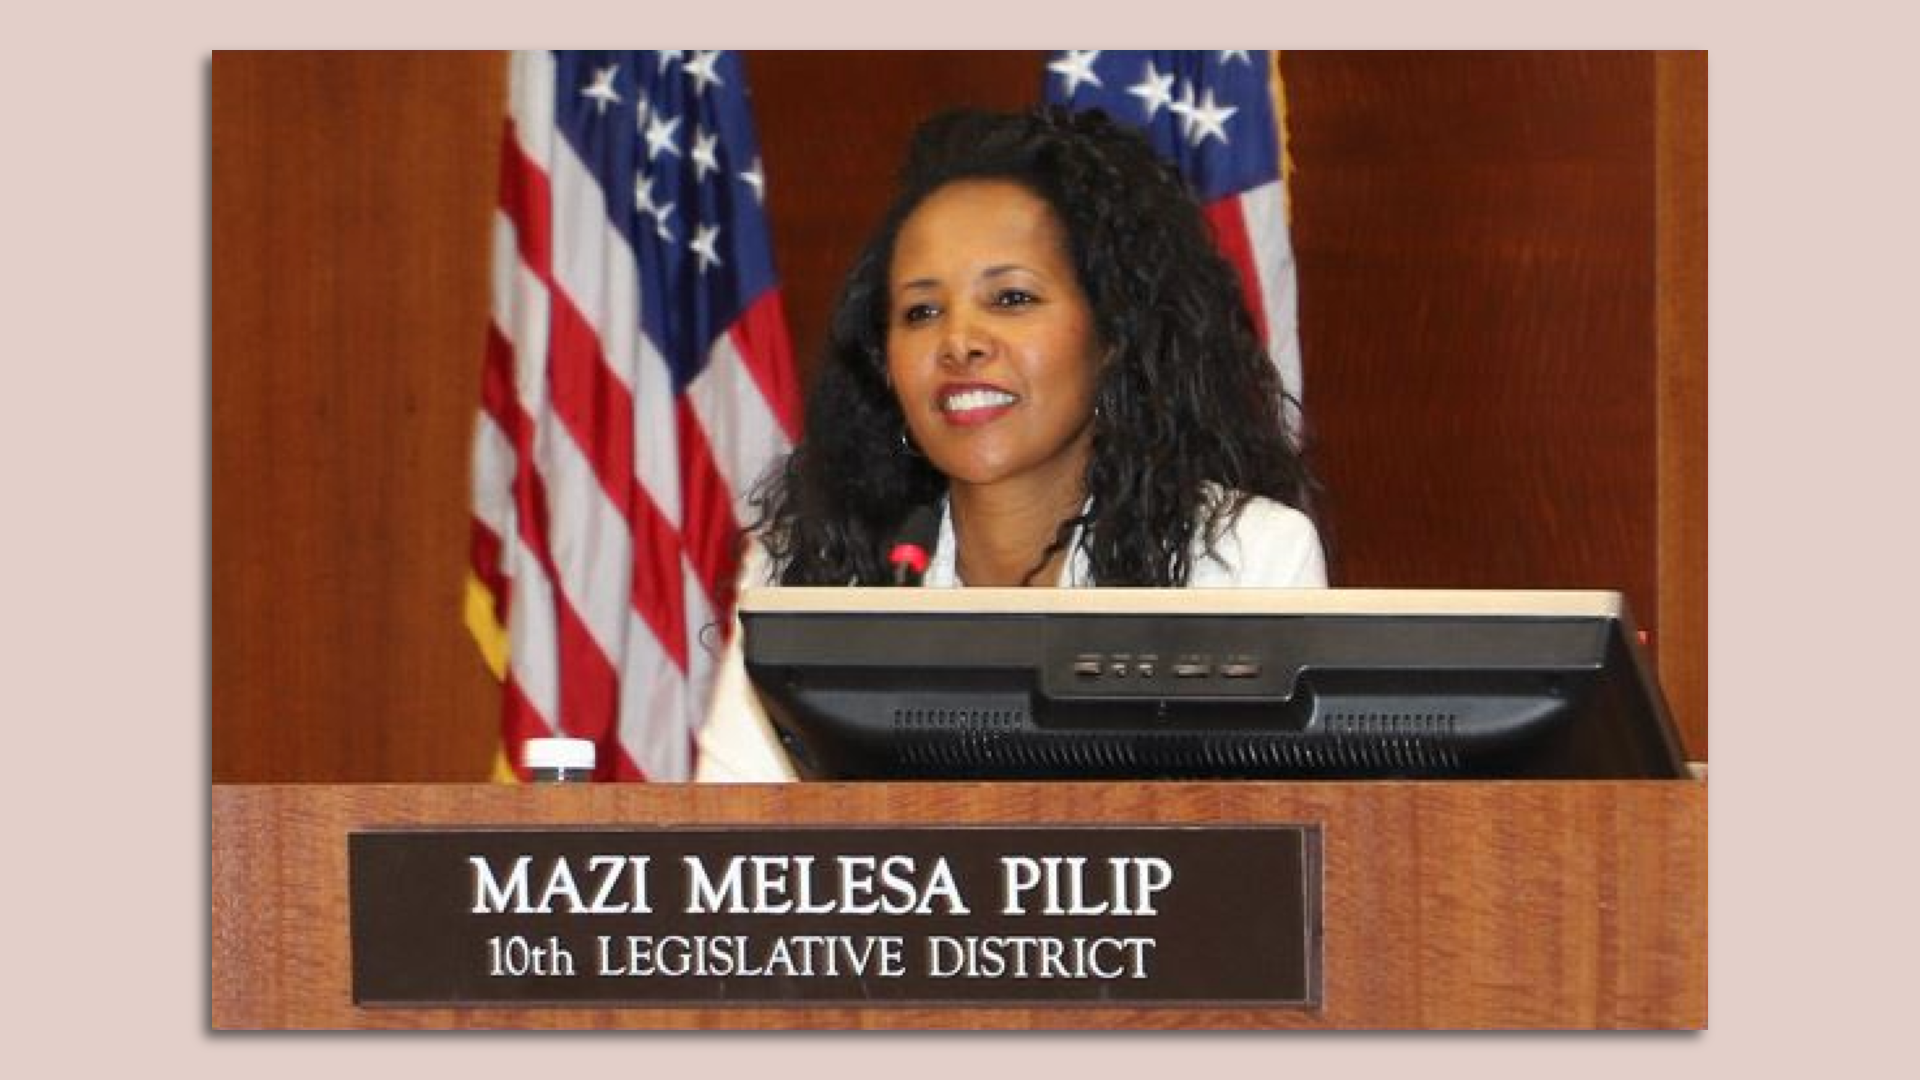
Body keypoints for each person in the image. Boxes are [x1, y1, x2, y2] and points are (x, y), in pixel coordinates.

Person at [696, 106, 1327, 781]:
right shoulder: (813, 575)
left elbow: (1268, 834)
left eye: (1012, 299)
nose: (959, 341)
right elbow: (735, 829)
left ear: (1113, 336)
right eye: (922, 311)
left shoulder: (1242, 557)